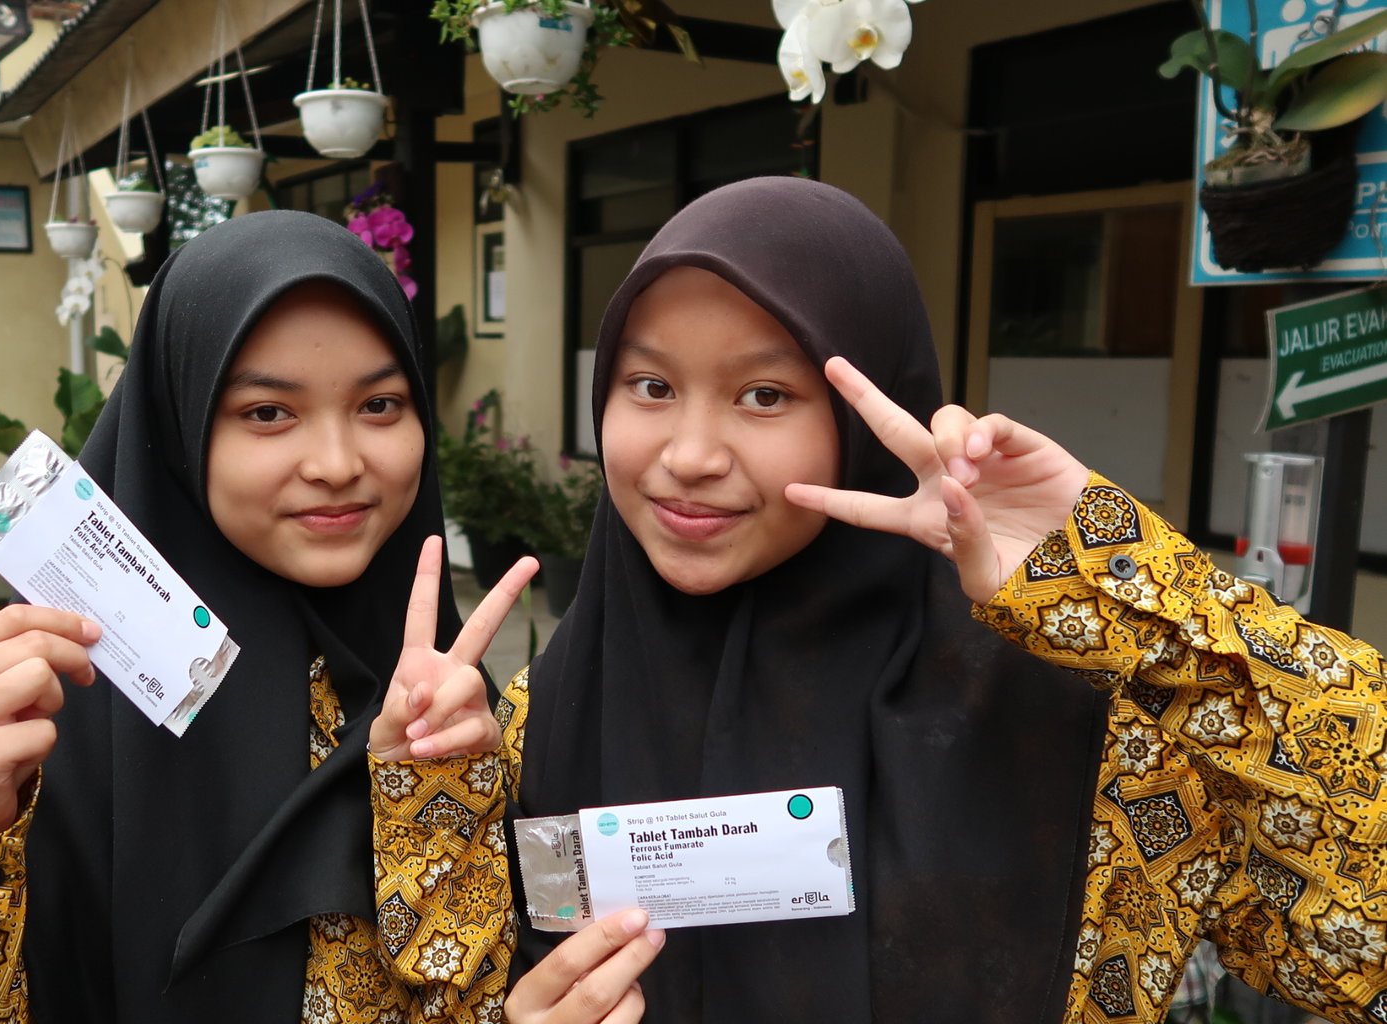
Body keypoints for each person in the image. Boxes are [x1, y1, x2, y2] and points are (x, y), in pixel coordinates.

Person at [370, 177, 1387, 1023]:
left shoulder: (1085, 722)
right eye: (648, 387)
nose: (686, 456)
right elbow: (438, 992)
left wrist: (1122, 579)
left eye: (764, 395)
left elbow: (1359, 947)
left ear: (863, 417)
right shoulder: (536, 725)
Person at [0, 210, 535, 1024]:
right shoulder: (47, 714)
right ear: (180, 426)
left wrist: (435, 795)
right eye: (268, 412)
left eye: (379, 405)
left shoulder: (449, 698)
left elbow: (471, 1003)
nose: (338, 465)